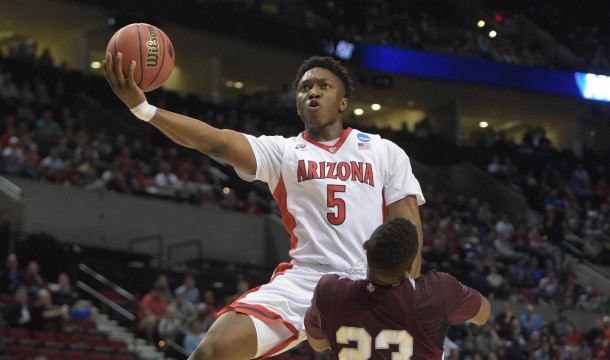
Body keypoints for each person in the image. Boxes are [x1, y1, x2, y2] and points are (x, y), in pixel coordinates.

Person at [104, 53, 424, 359]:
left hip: (371, 283)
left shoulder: (383, 151)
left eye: (324, 86)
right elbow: (217, 141)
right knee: (214, 349)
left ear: (343, 102)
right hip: (305, 283)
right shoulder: (283, 152)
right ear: (297, 104)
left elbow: (408, 229)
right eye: (304, 87)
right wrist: (144, 109)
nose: (313, 91)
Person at [304, 218, 490, 359]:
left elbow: (318, 343)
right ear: (410, 267)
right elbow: (482, 314)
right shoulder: (437, 292)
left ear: (367, 249)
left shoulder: (330, 290)